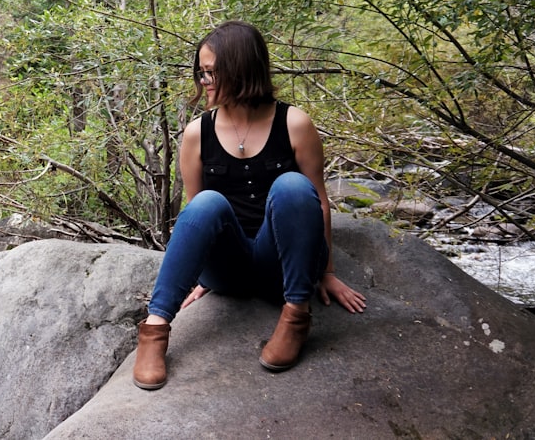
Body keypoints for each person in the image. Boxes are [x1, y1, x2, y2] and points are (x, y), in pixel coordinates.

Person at [132, 20, 367, 390]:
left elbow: (318, 200)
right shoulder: (197, 133)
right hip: (228, 272)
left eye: (211, 72)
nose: (203, 81)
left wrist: (327, 272)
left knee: (293, 185)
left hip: (282, 270)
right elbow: (196, 212)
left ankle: (296, 317)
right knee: (208, 201)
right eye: (201, 72)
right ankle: (156, 328)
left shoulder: (295, 123)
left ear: (241, 70)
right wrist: (195, 275)